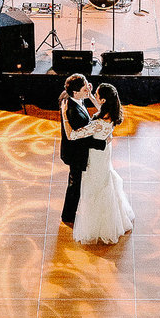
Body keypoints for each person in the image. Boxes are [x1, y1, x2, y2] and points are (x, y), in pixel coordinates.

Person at [70, 83, 134, 245]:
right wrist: (91, 95)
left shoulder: (98, 123)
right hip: (105, 152)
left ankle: (99, 225)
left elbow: (73, 135)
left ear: (104, 99)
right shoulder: (112, 113)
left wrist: (64, 116)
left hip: (97, 156)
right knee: (105, 180)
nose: (95, 97)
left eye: (97, 95)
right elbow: (99, 106)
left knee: (96, 185)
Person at [58, 74, 104, 226]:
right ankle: (68, 216)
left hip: (75, 150)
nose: (88, 89)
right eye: (85, 88)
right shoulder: (74, 112)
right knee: (74, 184)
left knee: (75, 183)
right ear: (75, 93)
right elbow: (82, 139)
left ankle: (69, 213)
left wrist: (88, 94)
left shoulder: (72, 97)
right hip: (76, 153)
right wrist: (102, 144)